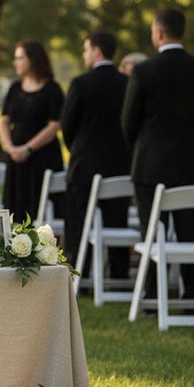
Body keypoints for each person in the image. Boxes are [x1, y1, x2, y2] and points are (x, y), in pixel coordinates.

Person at [121, 8, 194, 301]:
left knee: (151, 232)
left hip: (150, 165)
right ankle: (193, 296)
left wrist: (139, 149)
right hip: (191, 163)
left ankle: (152, 298)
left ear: (159, 33)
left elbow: (129, 120)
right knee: (190, 233)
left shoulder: (143, 71)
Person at [61, 32, 131, 277]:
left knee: (80, 220)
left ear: (97, 51)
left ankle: (81, 271)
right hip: (120, 164)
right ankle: (120, 273)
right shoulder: (127, 82)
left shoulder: (81, 83)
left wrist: (78, 148)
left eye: (86, 49)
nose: (84, 54)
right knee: (117, 218)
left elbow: (67, 125)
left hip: (85, 164)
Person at [0, 41, 64, 222]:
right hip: (15, 159)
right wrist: (10, 147)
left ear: (33, 60)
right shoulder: (14, 88)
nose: (15, 62)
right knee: (15, 207)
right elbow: (4, 120)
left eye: (20, 58)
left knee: (39, 208)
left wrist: (27, 149)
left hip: (42, 158)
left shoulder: (52, 89)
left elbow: (54, 126)